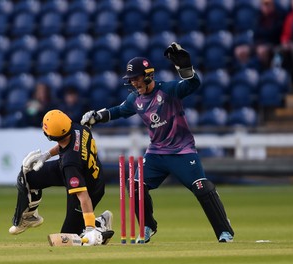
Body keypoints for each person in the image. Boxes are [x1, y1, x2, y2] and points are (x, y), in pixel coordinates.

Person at [81, 42, 235, 243]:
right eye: (131, 80)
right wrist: (96, 116)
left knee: (201, 187)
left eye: (136, 78)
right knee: (135, 185)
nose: (134, 83)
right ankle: (147, 226)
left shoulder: (168, 90)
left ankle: (225, 231)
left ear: (148, 75)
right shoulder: (134, 99)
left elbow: (192, 85)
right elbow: (118, 111)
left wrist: (186, 70)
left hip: (182, 151)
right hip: (156, 154)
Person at [8, 109, 114, 246]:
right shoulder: (78, 128)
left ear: (50, 136)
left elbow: (84, 196)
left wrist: (90, 229)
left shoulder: (70, 163)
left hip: (90, 187)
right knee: (28, 176)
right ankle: (28, 217)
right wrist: (46, 155)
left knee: (70, 237)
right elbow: (66, 144)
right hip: (81, 170)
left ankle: (99, 224)